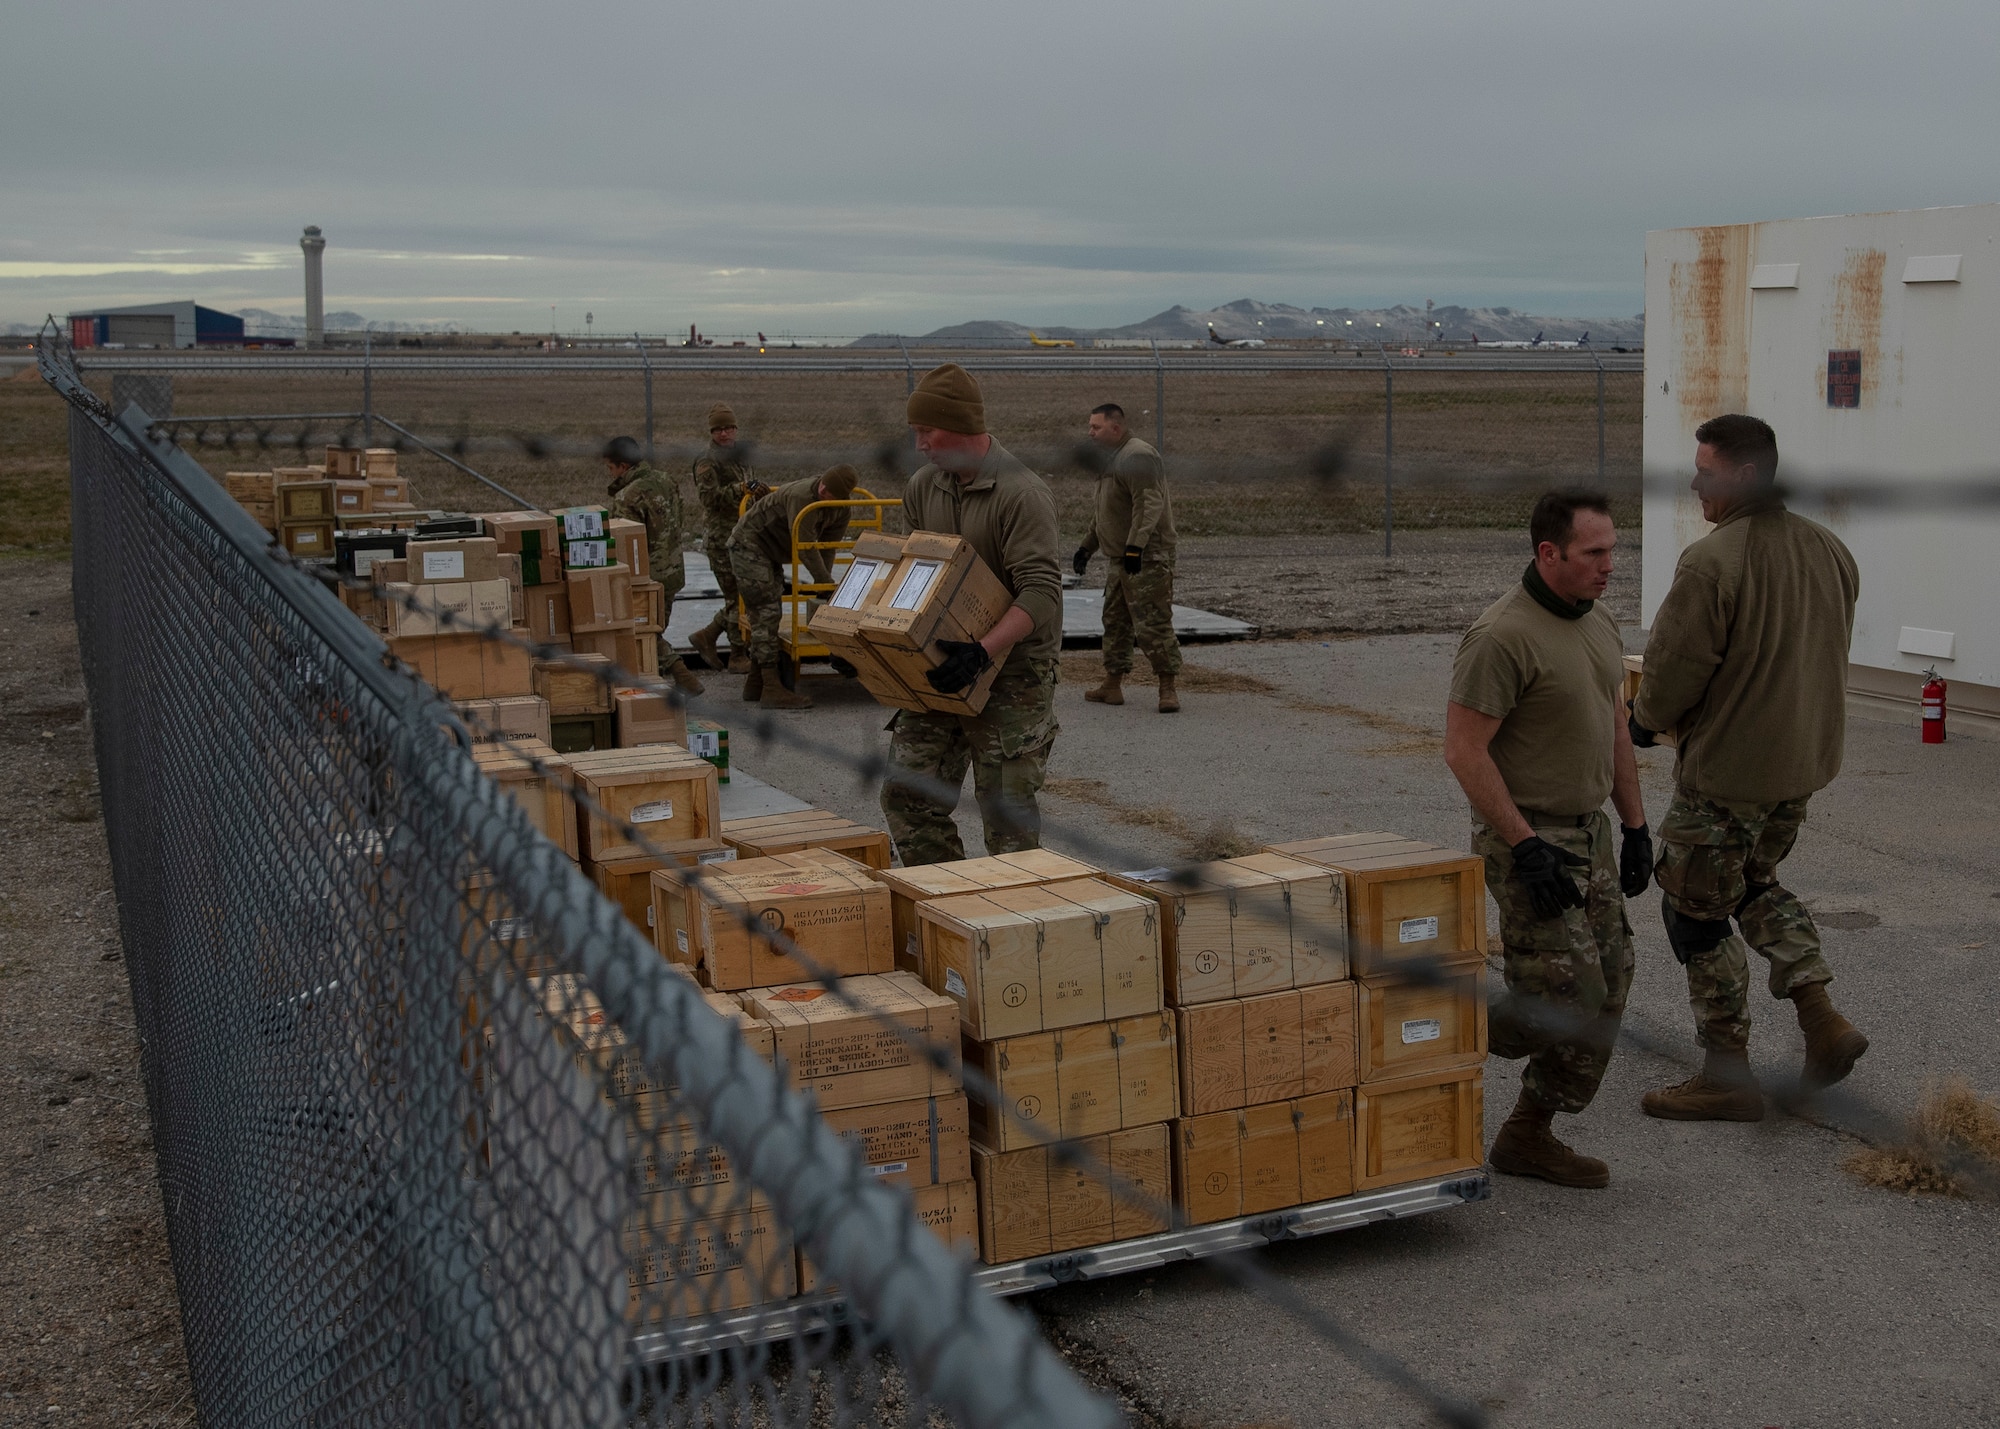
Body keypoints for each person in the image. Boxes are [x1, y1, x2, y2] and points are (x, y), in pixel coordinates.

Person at [1631, 413, 1865, 1120]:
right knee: (1755, 884)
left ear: (1746, 476)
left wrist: (1641, 720)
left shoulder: (1713, 561)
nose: (1695, 483)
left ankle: (1726, 1067)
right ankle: (1822, 1019)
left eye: (1706, 471)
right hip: (1800, 767)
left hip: (1728, 775)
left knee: (1692, 911)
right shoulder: (1829, 548)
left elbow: (1672, 671)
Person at [1445, 488, 1648, 1188]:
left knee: (1611, 985)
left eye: (1612, 550)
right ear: (1548, 552)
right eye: (1594, 553)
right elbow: (1465, 751)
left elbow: (1615, 728)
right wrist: (1523, 844)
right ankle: (1430, 1026)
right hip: (1526, 838)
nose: (1609, 565)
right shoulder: (1501, 635)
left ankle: (1529, 1132)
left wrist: (1636, 824)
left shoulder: (1599, 624)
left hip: (1590, 835)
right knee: (1564, 995)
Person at [880, 364, 1063, 865]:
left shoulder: (1021, 493)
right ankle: (951, 907)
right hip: (942, 666)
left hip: (1013, 674)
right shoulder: (923, 487)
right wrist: (877, 647)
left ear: (959, 426)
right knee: (906, 798)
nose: (919, 445)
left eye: (926, 432)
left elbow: (1042, 592)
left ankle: (1017, 927)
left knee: (1006, 819)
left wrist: (983, 651)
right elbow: (914, 576)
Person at [1072, 403, 1181, 713]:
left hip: (1147, 556)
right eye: (1090, 427)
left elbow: (1148, 505)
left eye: (1096, 427)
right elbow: (1106, 512)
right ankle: (1112, 684)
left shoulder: (1137, 456)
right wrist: (1086, 547)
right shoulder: (1111, 459)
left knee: (1152, 623)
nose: (1090, 432)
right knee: (1116, 622)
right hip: (1121, 557)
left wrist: (1136, 547)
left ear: (1115, 428)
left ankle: (1167, 687)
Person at [726, 464, 858, 710]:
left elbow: (826, 547)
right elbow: (805, 545)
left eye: (829, 491)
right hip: (749, 545)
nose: (822, 490)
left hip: (769, 552)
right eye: (823, 485)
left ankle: (756, 683)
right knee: (767, 612)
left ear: (841, 497)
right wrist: (824, 583)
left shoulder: (840, 510)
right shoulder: (802, 497)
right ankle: (772, 688)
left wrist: (824, 583)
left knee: (767, 611)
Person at [602, 436, 703, 695]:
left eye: (611, 468)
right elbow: (678, 519)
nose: (609, 474)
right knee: (655, 629)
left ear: (623, 466)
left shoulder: (627, 496)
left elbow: (625, 543)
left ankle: (680, 674)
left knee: (644, 633)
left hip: (645, 579)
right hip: (673, 572)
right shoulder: (666, 480)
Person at [687, 403, 770, 675]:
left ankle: (708, 635)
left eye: (728, 428)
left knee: (743, 595)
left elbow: (748, 485)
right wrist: (740, 490)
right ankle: (737, 654)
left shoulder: (742, 456)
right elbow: (710, 499)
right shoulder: (707, 462)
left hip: (744, 534)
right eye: (718, 430)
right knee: (737, 595)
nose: (724, 434)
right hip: (722, 537)